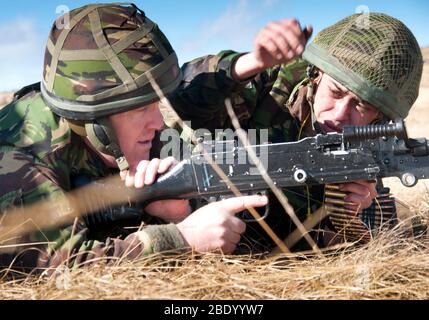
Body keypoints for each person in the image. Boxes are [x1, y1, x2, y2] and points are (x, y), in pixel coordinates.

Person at [0, 3, 268, 274]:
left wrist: (175, 211)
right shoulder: (20, 158)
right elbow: (59, 270)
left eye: (156, 104)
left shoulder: (138, 134)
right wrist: (182, 239)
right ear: (95, 121)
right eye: (141, 108)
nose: (158, 122)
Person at [165, 13, 423, 249]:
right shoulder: (268, 82)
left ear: (379, 115)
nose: (341, 114)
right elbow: (182, 97)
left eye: (361, 106)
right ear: (317, 74)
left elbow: (379, 238)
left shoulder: (368, 137)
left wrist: (358, 213)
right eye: (335, 92)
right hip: (182, 213)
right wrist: (248, 63)